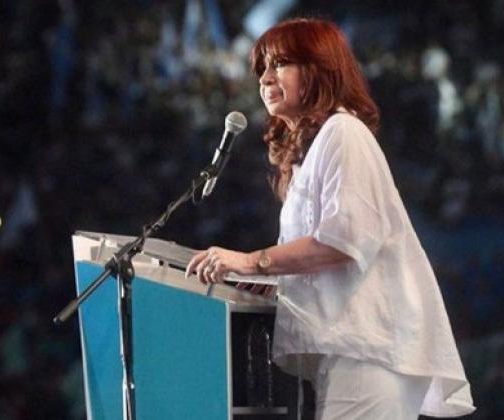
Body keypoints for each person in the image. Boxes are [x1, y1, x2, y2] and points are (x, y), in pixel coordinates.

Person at [185, 18, 475, 419]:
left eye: (281, 63)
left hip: (368, 352)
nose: (265, 78)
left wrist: (253, 261)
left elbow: (344, 241)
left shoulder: (344, 133)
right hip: (347, 351)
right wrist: (272, 281)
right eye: (262, 68)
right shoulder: (315, 151)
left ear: (319, 69)